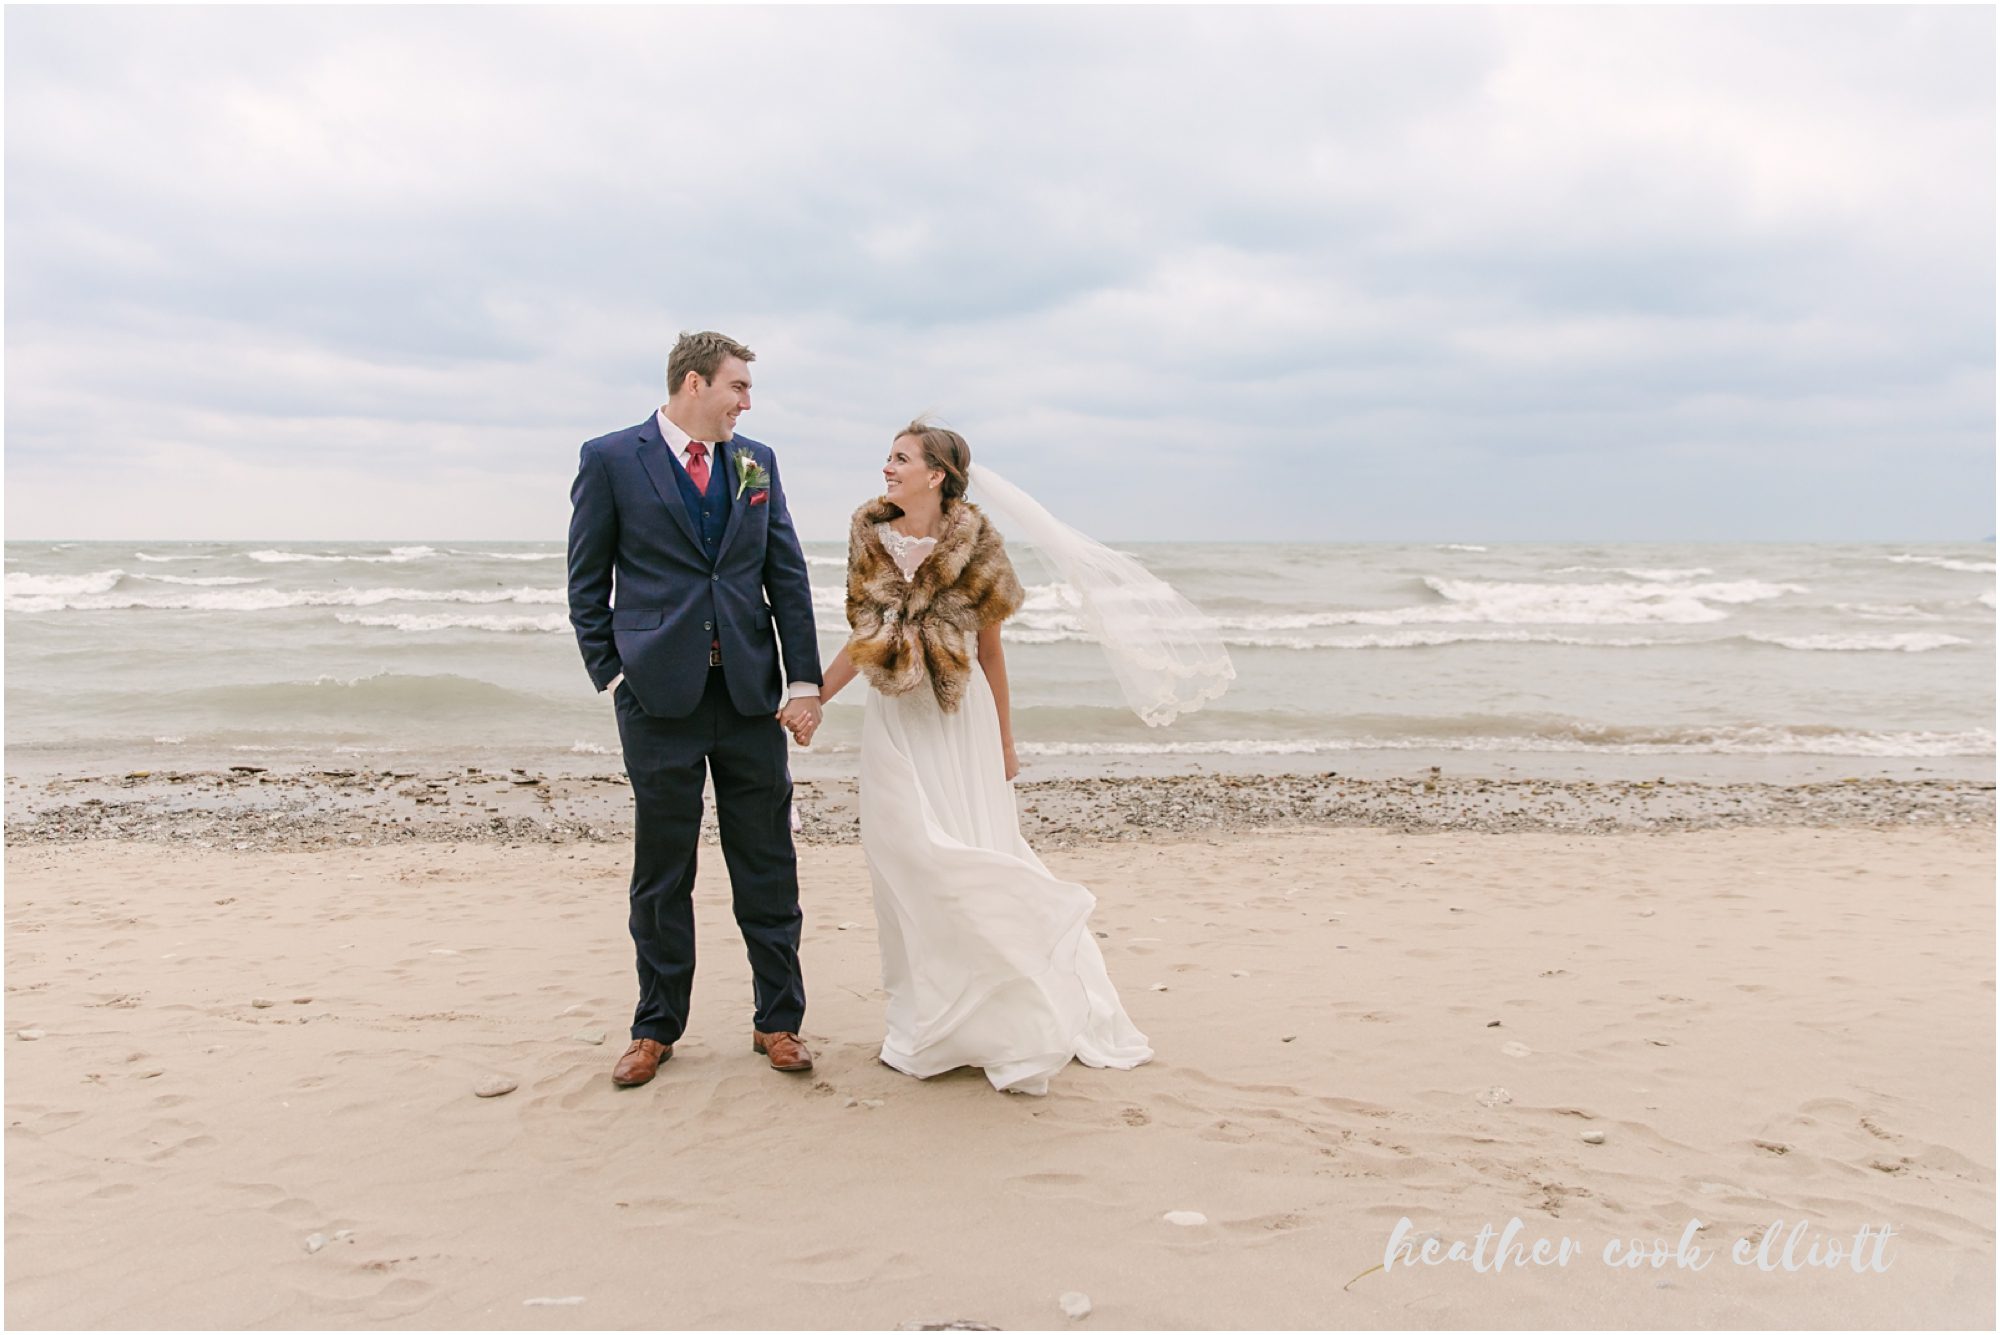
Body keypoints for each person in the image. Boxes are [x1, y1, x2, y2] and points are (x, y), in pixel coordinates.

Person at [793, 420, 1186, 1095]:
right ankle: (927, 1017)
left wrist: (1004, 741)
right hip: (893, 718)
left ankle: (999, 1010)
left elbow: (993, 653)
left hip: (956, 718)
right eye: (888, 457)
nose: (886, 468)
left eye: (900, 458)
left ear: (936, 473)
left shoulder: (978, 546)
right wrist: (816, 698)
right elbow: (866, 636)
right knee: (900, 855)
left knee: (964, 846)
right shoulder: (869, 535)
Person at [566, 330, 826, 1088]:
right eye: (738, 386)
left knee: (768, 865)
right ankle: (655, 1027)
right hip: (659, 700)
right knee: (661, 873)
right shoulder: (612, 458)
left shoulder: (758, 463)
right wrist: (615, 678)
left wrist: (802, 681)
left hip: (748, 696)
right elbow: (587, 580)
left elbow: (787, 572)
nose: (747, 401)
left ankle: (778, 1019)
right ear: (692, 384)